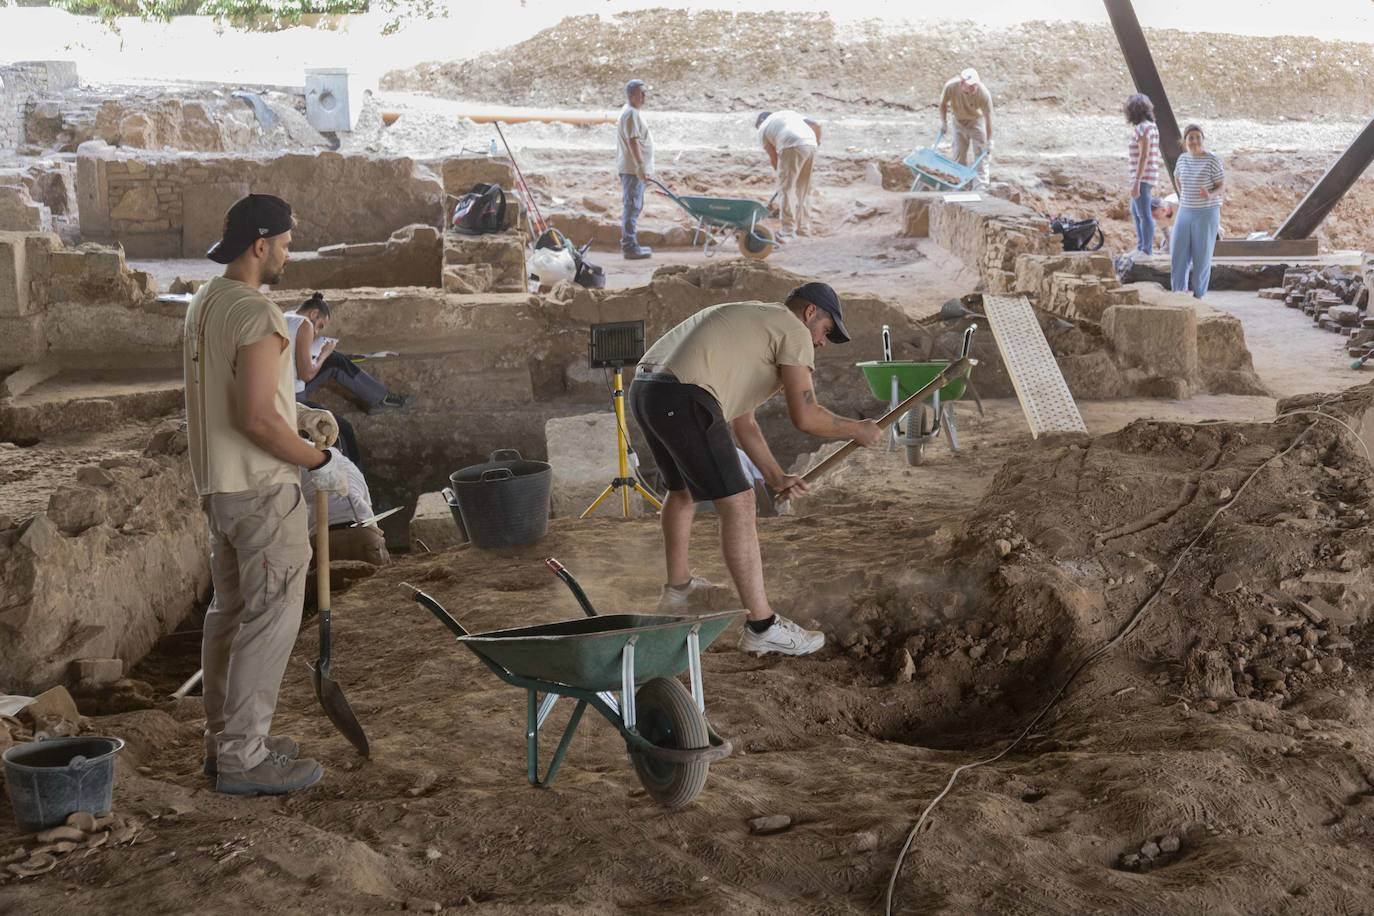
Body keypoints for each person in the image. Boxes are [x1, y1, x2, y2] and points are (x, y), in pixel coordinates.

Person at [183, 193, 349, 796]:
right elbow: (255, 419)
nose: (288, 251)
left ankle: (223, 741)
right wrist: (319, 459)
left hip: (221, 488)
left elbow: (246, 401)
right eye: (284, 242)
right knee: (268, 620)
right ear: (261, 245)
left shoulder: (208, 302)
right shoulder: (258, 314)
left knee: (229, 615)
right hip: (260, 492)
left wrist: (298, 416)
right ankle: (244, 758)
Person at [629, 282, 882, 656]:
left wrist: (776, 475)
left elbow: (743, 423)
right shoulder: (793, 329)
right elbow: (807, 416)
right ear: (810, 313)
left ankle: (678, 592)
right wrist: (857, 429)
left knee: (681, 492)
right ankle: (762, 626)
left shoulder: (753, 326)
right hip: (684, 396)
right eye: (826, 331)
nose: (822, 343)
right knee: (740, 502)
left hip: (649, 390)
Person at [286, 292, 414, 416]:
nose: (316, 331)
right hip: (290, 394)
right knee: (334, 360)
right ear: (314, 313)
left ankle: (380, 397)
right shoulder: (305, 324)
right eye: (320, 326)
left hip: (278, 386)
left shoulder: (286, 316)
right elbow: (306, 375)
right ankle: (381, 399)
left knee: (334, 358)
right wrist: (324, 353)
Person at [299, 446, 390, 566]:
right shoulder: (347, 464)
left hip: (325, 538)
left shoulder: (294, 453)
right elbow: (368, 510)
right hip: (364, 533)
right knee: (378, 582)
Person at [1170, 124, 1226, 298]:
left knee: (1201, 256)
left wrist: (1210, 195)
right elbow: (1176, 177)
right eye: (1190, 137)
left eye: (1197, 137)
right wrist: (1183, 194)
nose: (1194, 141)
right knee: (1178, 253)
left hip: (1207, 213)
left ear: (1202, 139)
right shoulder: (1182, 159)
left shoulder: (1212, 159)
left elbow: (1222, 185)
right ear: (1185, 141)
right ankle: (1178, 293)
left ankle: (1199, 295)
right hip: (1185, 211)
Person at [755, 110, 821, 240]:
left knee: (785, 190)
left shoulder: (762, 128)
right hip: (810, 143)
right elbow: (816, 125)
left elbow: (773, 158)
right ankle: (803, 230)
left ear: (760, 122)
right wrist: (816, 143)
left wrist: (781, 178)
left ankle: (788, 230)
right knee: (804, 190)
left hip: (790, 144)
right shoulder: (788, 115)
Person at [616, 78, 654, 260]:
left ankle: (631, 244)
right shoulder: (631, 114)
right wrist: (640, 165)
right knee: (631, 207)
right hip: (632, 170)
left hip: (633, 170)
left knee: (633, 207)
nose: (644, 97)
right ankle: (629, 247)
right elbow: (633, 141)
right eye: (641, 94)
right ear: (632, 95)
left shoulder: (631, 111)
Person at [938, 68, 993, 187]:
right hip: (958, 122)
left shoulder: (983, 93)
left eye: (975, 84)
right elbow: (942, 104)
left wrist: (989, 141)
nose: (974, 88)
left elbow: (988, 119)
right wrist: (943, 122)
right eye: (971, 85)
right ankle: (961, 186)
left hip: (975, 122)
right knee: (959, 155)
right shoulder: (951, 87)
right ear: (962, 83)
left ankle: (981, 188)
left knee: (981, 154)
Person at [1125, 93, 1162, 255]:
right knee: (1136, 211)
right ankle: (1141, 247)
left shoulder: (1142, 128)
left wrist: (1137, 181)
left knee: (1144, 214)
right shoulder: (1152, 126)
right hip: (1148, 175)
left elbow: (1144, 155)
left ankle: (1146, 250)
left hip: (1143, 177)